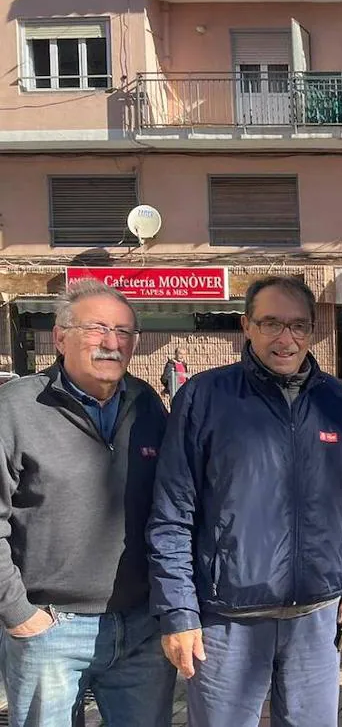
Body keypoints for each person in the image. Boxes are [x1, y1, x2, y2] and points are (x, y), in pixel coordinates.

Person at [148, 276, 342, 727]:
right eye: (271, 323)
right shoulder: (204, 397)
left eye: (297, 326)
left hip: (316, 616)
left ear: (312, 331)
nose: (285, 338)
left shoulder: (337, 401)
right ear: (246, 326)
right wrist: (178, 610)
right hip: (227, 616)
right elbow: (172, 513)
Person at [0, 280, 175, 727]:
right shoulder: (16, 408)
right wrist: (19, 613)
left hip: (141, 627)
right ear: (60, 337)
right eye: (97, 329)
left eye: (124, 332)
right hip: (52, 626)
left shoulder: (146, 404)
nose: (111, 343)